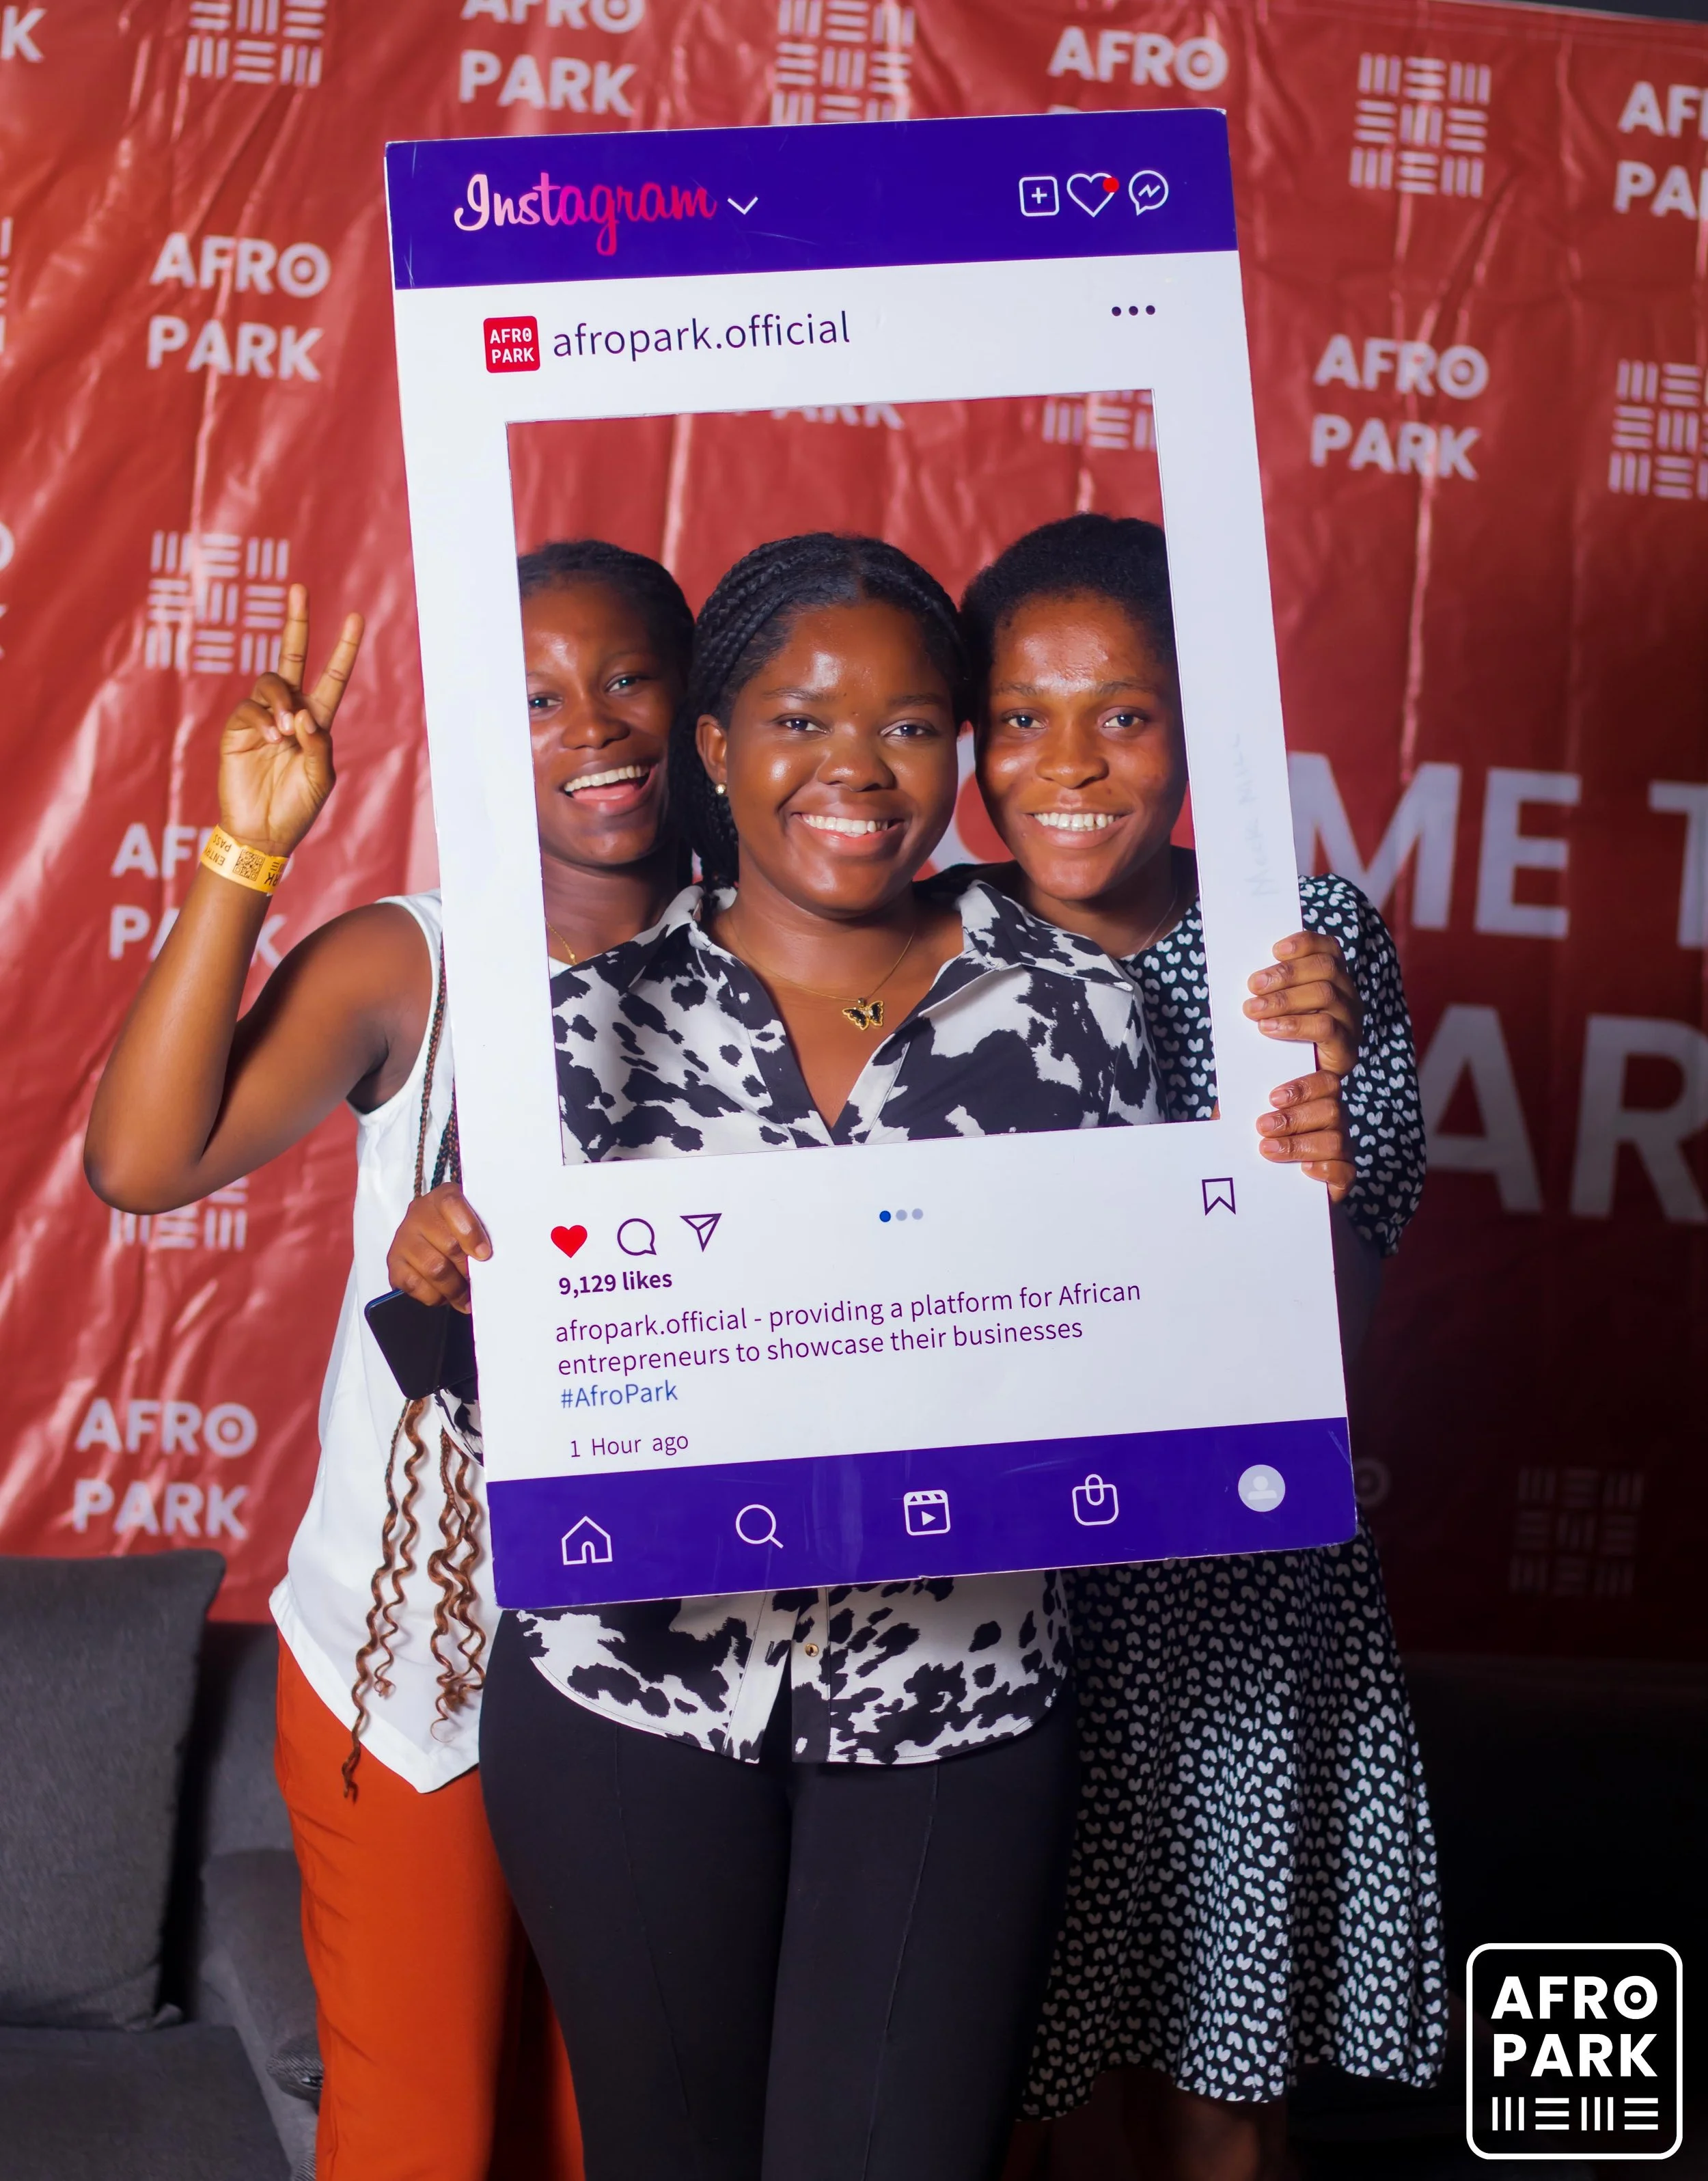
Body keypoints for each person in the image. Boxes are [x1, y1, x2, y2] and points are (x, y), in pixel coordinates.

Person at [386, 531, 1174, 2181]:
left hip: (949, 1706)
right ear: (716, 752)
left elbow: (1184, 1349)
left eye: (907, 725)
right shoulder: (574, 1035)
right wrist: (450, 1288)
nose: (856, 771)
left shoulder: (1083, 1019)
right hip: (626, 1704)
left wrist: (1281, 1165)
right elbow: (486, 1404)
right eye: (800, 722)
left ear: (956, 754)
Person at [83, 539, 694, 2181]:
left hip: (679, 1665)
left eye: (628, 677)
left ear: (700, 701)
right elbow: (142, 1163)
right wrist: (244, 850)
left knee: (607, 2136)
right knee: (423, 2139)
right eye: (537, 698)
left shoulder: (790, 956)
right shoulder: (412, 963)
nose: (594, 727)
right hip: (418, 1670)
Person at [961, 514, 1446, 2181]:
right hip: (986, 1600)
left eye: (1125, 712)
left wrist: (1308, 1159)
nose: (1068, 765)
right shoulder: (921, 937)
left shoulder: (1297, 948)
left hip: (1226, 1596)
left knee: (1215, 2096)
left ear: (1202, 729)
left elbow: (1340, 1338)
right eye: (1019, 717)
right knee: (996, 2076)